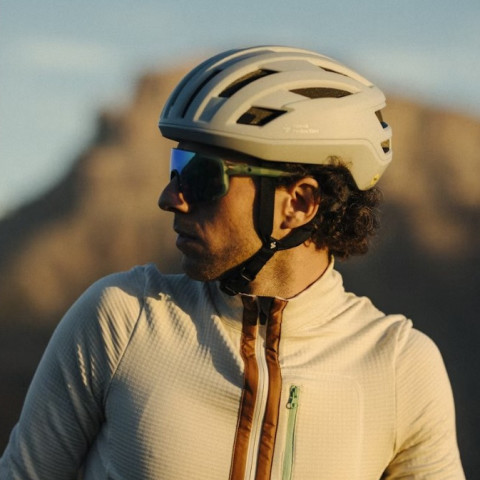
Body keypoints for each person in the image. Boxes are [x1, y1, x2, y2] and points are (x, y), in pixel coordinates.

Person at [0, 46, 464, 479]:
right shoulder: (121, 320)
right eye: (177, 167)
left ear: (299, 203)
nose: (171, 197)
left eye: (202, 176)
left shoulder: (400, 367)